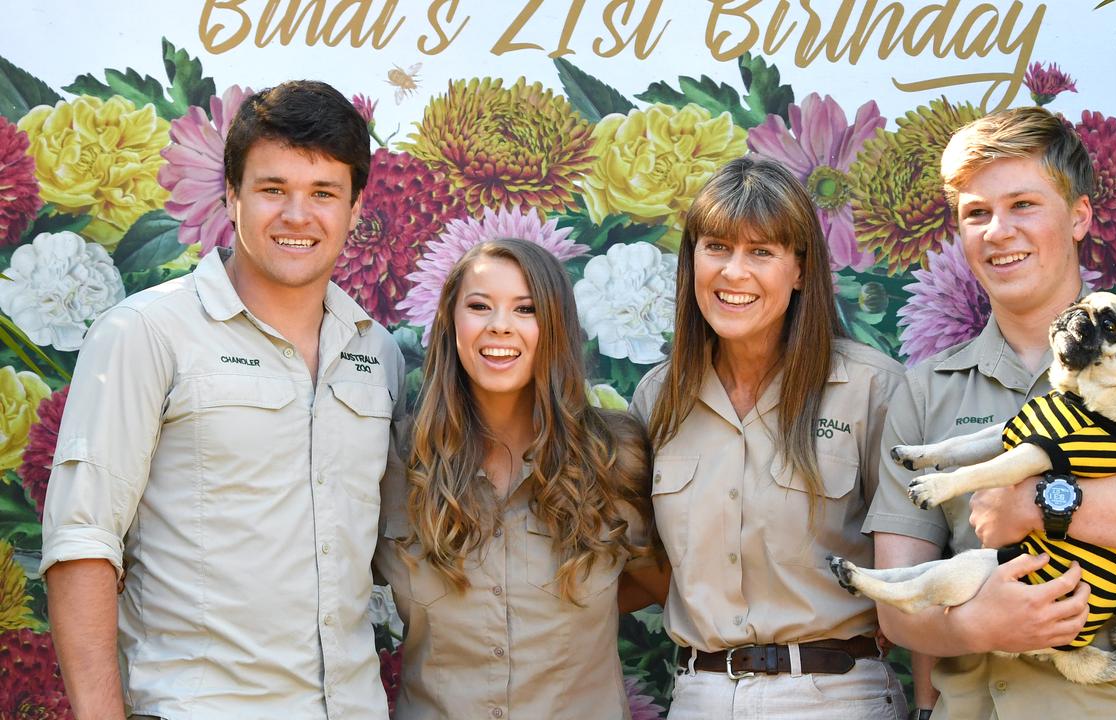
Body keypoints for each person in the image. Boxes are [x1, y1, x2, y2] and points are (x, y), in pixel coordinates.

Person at [864, 106, 1116, 719]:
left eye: (1023, 204)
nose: (998, 231)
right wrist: (979, 625)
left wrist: (1040, 504)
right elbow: (898, 608)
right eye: (977, 213)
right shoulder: (925, 390)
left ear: (1079, 215)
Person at [40, 80, 404, 719]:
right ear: (231, 194)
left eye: (323, 193)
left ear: (355, 205)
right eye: (273, 189)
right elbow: (82, 545)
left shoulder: (377, 355)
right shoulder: (147, 333)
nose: (297, 215)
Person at [629, 156, 909, 718]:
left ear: (801, 269)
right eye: (717, 247)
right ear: (691, 262)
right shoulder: (656, 398)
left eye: (761, 251)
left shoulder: (872, 388)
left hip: (836, 695)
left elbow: (916, 556)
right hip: (700, 694)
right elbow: (651, 563)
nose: (734, 272)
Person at [375, 238, 663, 719]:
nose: (500, 326)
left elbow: (659, 585)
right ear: (451, 324)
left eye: (525, 309)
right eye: (480, 306)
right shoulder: (395, 466)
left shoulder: (613, 459)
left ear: (554, 327)